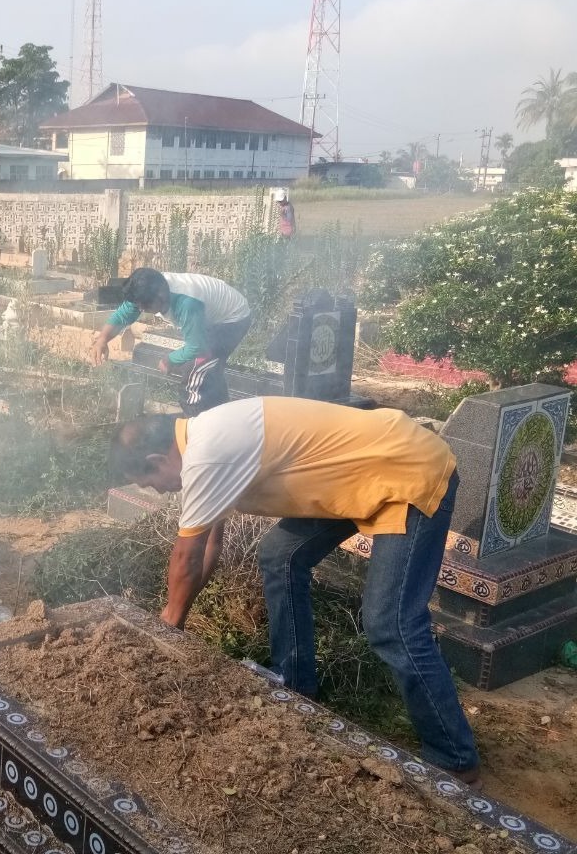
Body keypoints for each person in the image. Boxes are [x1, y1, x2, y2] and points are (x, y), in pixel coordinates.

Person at [109, 397, 481, 782]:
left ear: (156, 460)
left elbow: (186, 558)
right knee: (279, 554)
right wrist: (172, 628)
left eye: (150, 483)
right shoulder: (205, 442)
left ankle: (454, 758)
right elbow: (209, 550)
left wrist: (168, 624)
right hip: (356, 475)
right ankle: (296, 683)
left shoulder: (206, 457)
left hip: (405, 469)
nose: (161, 491)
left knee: (392, 624)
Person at [90, 267, 251, 415]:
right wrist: (102, 339)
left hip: (232, 319)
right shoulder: (149, 289)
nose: (141, 310)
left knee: (194, 371)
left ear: (160, 296)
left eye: (144, 307)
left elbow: (197, 347)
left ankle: (195, 424)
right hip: (211, 317)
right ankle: (223, 418)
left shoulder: (187, 303)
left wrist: (170, 359)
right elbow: (124, 315)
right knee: (209, 372)